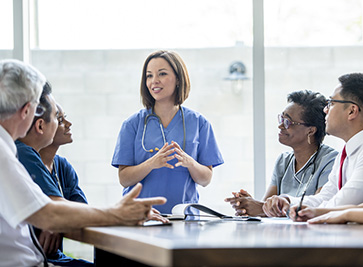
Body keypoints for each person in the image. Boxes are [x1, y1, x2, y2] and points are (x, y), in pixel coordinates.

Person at [1, 59, 166, 266]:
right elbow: (48, 214)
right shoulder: (6, 153)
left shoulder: (11, 150)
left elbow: (50, 211)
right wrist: (119, 213)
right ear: (26, 111)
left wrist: (57, 217)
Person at [112, 50, 224, 212]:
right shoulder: (132, 124)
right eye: (149, 76)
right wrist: (152, 163)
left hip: (183, 216)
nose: (154, 81)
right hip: (141, 216)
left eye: (162, 74)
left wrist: (189, 162)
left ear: (178, 79)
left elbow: (205, 179)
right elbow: (124, 179)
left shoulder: (199, 123)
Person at [262, 73, 363, 218]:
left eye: (331, 103)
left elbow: (342, 203)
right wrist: (289, 201)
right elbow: (326, 196)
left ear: (352, 111)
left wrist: (302, 210)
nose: (325, 110)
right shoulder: (347, 151)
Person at [225, 90, 337, 217]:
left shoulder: (330, 161)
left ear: (310, 131)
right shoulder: (283, 161)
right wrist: (248, 205)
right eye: (281, 119)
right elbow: (265, 206)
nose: (280, 126)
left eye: (288, 122)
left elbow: (320, 207)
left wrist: (260, 208)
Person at [15, 83, 92, 266]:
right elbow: (59, 210)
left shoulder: (62, 166)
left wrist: (58, 217)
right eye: (58, 117)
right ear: (40, 125)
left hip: (51, 257)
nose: (67, 123)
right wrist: (124, 213)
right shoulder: (22, 153)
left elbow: (79, 209)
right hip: (36, 259)